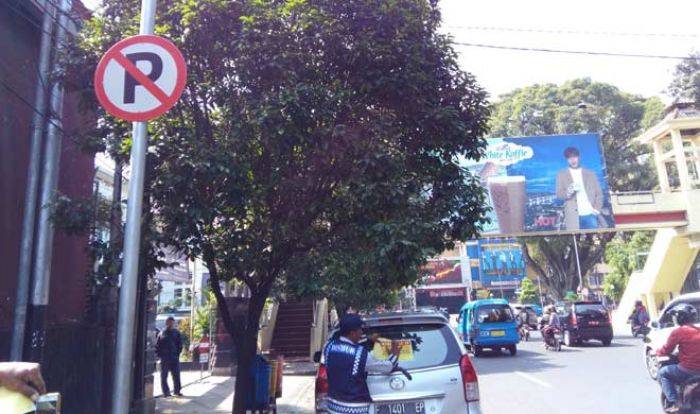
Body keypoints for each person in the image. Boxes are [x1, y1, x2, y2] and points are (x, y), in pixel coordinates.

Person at [324, 314, 400, 414]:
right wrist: (395, 354)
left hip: (333, 407)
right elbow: (387, 367)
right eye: (360, 330)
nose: (362, 332)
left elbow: (346, 346)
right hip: (354, 409)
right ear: (352, 333)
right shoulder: (360, 354)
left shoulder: (329, 346)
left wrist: (368, 339)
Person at [656, 304, 700, 413]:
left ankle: (675, 402)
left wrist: (656, 352)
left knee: (662, 373)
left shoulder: (678, 332)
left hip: (688, 371)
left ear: (680, 318)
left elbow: (666, 350)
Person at [555, 147, 605, 230]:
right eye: (569, 158)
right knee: (575, 241)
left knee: (594, 239)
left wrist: (596, 209)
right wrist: (568, 192)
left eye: (574, 156)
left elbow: (599, 193)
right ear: (567, 159)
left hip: (590, 213)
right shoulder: (561, 174)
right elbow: (559, 194)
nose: (572, 160)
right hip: (572, 217)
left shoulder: (590, 173)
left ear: (578, 157)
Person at [156, 316, 183, 397]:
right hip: (164, 358)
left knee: (176, 375)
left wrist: (177, 354)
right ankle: (166, 392)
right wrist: (159, 355)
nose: (170, 323)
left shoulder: (177, 333)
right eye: (169, 322)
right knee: (164, 376)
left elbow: (180, 344)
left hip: (174, 357)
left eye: (172, 322)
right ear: (166, 323)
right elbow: (158, 345)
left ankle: (177, 391)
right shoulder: (161, 333)